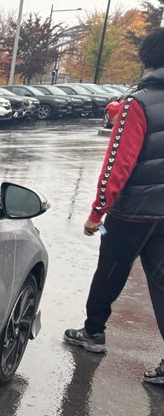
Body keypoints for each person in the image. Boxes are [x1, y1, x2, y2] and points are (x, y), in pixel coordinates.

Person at [63, 29, 164, 387]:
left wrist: (97, 212)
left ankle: (93, 332)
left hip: (132, 210)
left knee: (109, 271)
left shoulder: (136, 103)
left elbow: (117, 164)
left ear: (146, 59)